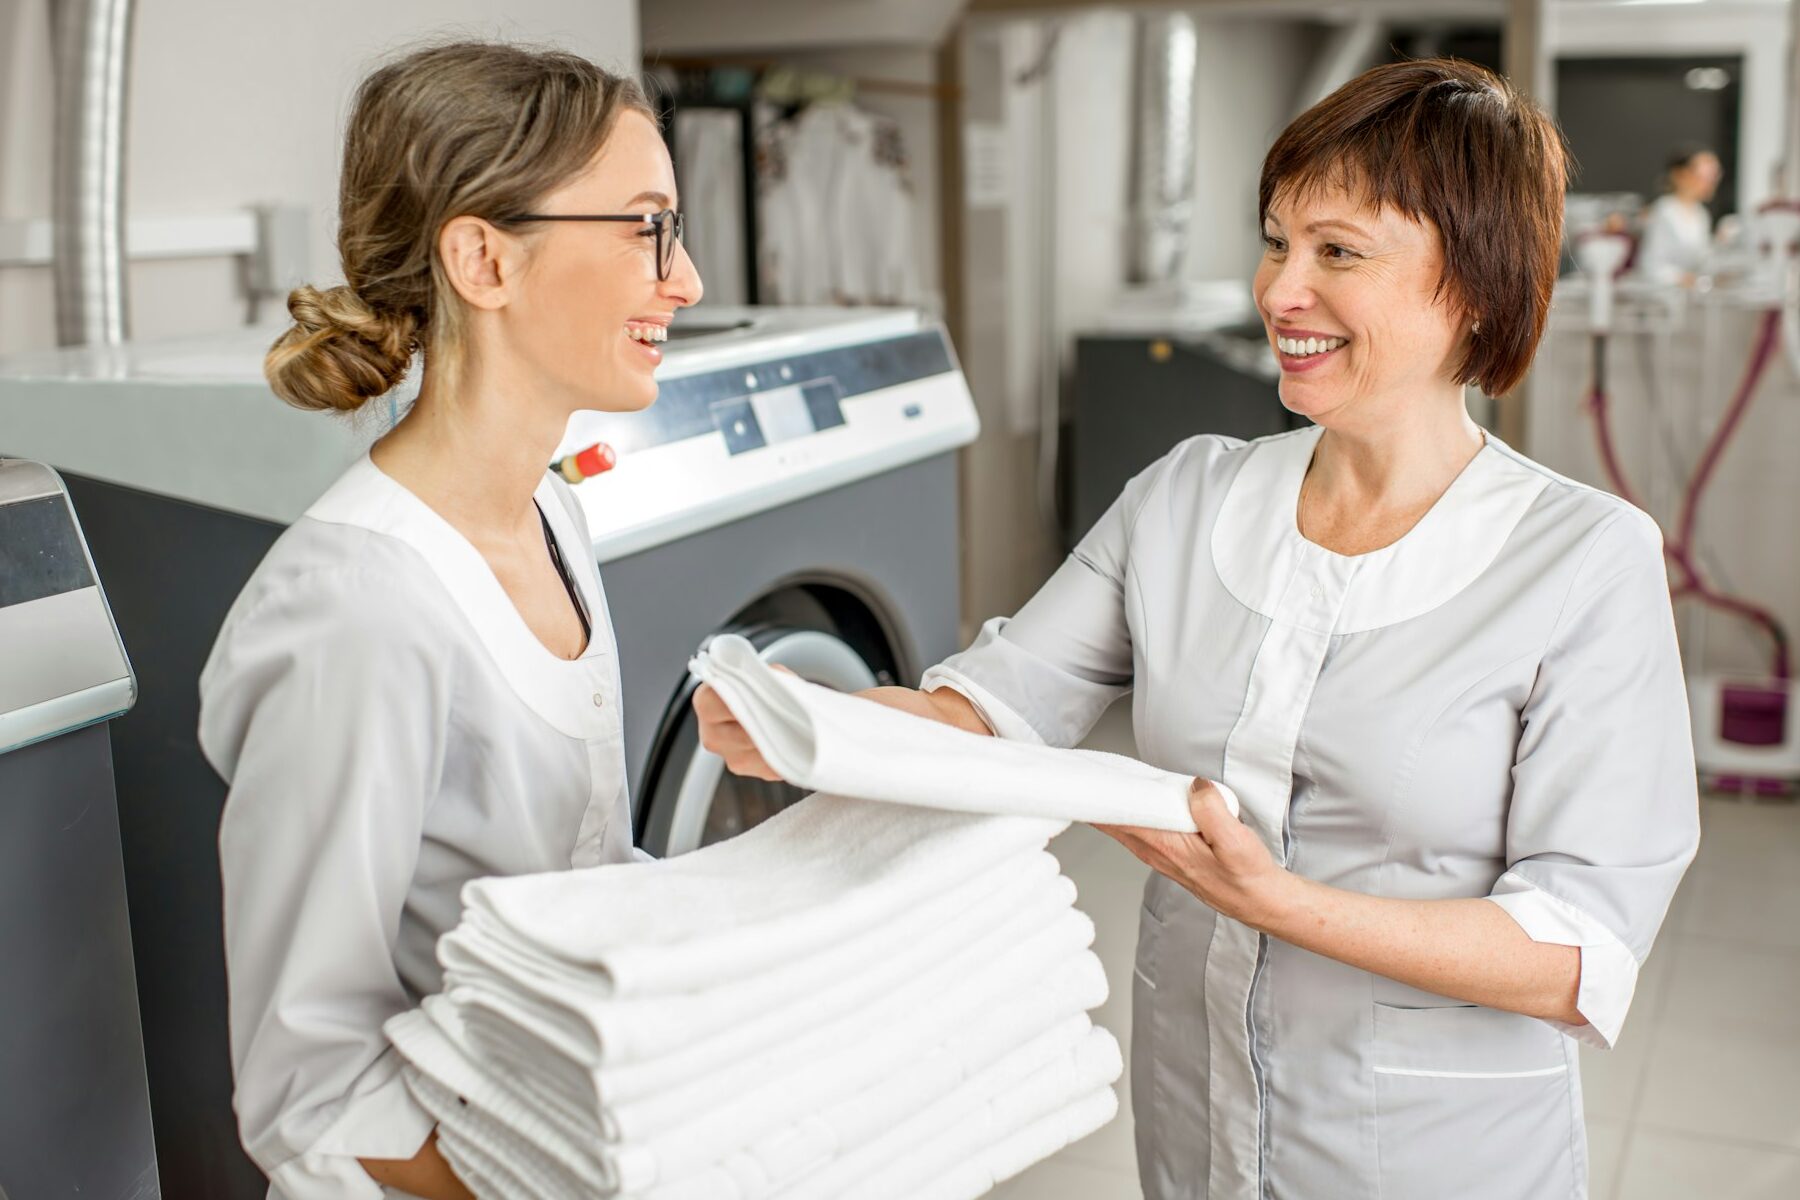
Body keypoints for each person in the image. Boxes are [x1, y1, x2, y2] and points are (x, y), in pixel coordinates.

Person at [698, 59, 1699, 1199]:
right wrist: (811, 719)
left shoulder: (1579, 559)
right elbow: (987, 712)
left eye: (1339, 251)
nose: (1280, 291)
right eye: (1276, 242)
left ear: (1473, 284)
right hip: (1197, 1115)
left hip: (1428, 1151)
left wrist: (1282, 905)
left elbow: (1578, 952)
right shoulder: (1188, 497)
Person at [198, 41, 701, 1200]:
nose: (685, 282)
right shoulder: (355, 608)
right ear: (483, 257)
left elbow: (579, 878)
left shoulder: (553, 519)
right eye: (646, 229)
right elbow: (308, 1086)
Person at [1636, 145, 1723, 286]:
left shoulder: (1701, 214)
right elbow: (1650, 266)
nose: (1711, 180)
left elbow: (1701, 260)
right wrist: (1682, 279)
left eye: (1715, 173)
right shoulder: (1664, 211)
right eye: (1705, 173)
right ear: (1680, 175)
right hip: (1663, 297)